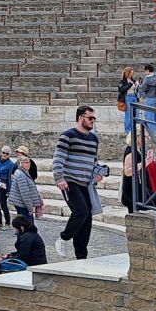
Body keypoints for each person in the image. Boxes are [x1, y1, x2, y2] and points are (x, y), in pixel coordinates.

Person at [53, 105, 102, 259]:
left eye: (94, 118)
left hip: (86, 184)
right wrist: (59, 178)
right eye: (90, 118)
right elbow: (58, 159)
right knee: (81, 211)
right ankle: (62, 239)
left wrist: (98, 172)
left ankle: (81, 256)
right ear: (81, 118)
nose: (93, 121)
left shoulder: (94, 139)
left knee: (87, 219)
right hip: (69, 181)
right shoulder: (68, 136)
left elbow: (94, 161)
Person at [8, 153, 43, 227]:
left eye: (29, 162)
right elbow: (25, 193)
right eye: (25, 162)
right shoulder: (21, 175)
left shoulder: (24, 172)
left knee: (23, 225)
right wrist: (30, 208)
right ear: (21, 164)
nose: (28, 164)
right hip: (23, 205)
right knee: (28, 226)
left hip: (21, 203)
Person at [0, 146, 15, 228]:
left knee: (3, 204)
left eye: (7, 153)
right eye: (3, 152)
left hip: (3, 186)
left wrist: (9, 190)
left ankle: (8, 222)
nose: (4, 154)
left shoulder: (11, 164)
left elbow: (10, 178)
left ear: (9, 155)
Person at [141, 64, 156, 136]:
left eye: (145, 70)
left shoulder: (147, 79)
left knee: (149, 115)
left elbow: (143, 88)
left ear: (147, 70)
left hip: (150, 98)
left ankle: (152, 131)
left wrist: (138, 85)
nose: (144, 72)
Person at [119, 65, 140, 136]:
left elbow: (136, 90)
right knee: (128, 114)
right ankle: (128, 130)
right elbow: (120, 90)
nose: (132, 74)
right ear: (127, 73)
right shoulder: (123, 81)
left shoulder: (133, 80)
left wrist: (137, 86)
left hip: (134, 97)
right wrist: (129, 85)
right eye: (131, 73)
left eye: (132, 73)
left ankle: (136, 129)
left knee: (136, 113)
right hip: (128, 97)